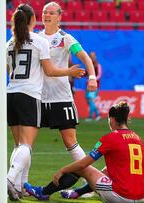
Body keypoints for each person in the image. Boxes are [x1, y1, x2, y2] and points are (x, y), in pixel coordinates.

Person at [0, 4, 85, 201]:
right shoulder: (39, 41)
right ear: (32, 21)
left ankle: (19, 186)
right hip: (29, 96)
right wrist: (70, 72)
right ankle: (9, 178)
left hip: (10, 95)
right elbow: (50, 71)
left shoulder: (11, 42)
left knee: (18, 145)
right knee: (26, 145)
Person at [24, 101, 144, 202]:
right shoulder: (138, 139)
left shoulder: (110, 138)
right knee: (104, 172)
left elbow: (83, 164)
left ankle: (43, 192)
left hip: (120, 196)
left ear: (112, 120)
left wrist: (62, 170)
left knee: (81, 167)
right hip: (140, 197)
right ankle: (76, 192)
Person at [37, 2, 98, 197]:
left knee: (70, 141)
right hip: (38, 97)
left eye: (51, 13)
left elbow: (85, 57)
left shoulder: (65, 38)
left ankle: (91, 184)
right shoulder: (36, 37)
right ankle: (18, 184)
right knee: (24, 141)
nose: (47, 15)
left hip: (61, 98)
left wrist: (92, 77)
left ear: (59, 17)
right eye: (45, 12)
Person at [85, 51, 102, 121]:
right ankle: (97, 114)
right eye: (90, 56)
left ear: (95, 56)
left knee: (90, 100)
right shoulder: (88, 65)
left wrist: (92, 79)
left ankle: (91, 116)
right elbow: (86, 73)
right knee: (88, 100)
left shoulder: (98, 65)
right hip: (88, 86)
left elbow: (99, 75)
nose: (92, 57)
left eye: (93, 56)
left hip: (95, 86)